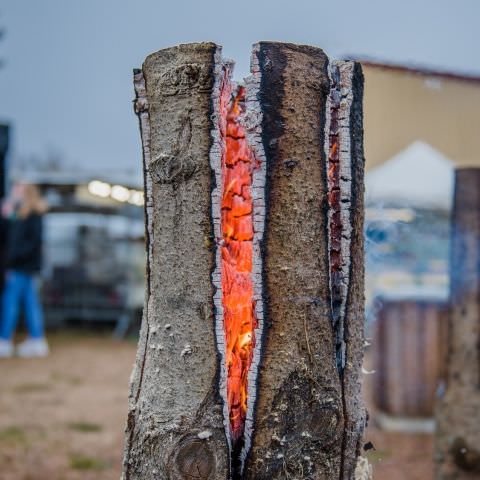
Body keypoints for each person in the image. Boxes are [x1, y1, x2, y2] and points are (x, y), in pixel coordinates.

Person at [0, 182, 49, 358]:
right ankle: (37, 340)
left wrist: (12, 260)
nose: (13, 193)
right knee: (30, 303)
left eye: (17, 190)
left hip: (22, 267)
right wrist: (6, 217)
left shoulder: (33, 214)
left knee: (10, 301)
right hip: (23, 266)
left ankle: (4, 340)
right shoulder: (18, 214)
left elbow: (32, 243)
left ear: (27, 193)